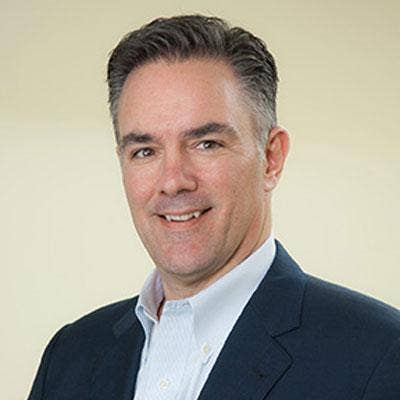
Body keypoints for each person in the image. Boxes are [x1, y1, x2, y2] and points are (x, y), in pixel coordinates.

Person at [28, 14, 400, 400]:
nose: (173, 180)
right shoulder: (71, 356)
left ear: (271, 158)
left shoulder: (380, 356)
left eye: (206, 144)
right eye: (145, 151)